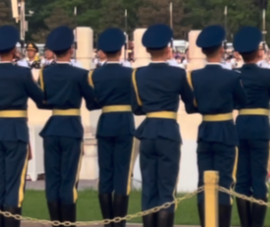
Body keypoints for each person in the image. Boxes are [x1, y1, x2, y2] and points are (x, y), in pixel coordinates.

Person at [131, 23, 195, 227]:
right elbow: (191, 103)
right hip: (168, 132)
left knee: (149, 187)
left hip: (148, 132)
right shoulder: (178, 74)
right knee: (167, 189)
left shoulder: (137, 74)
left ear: (148, 51)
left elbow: (137, 107)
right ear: (168, 49)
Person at [0, 25, 44, 227]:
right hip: (16, 131)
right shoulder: (23, 74)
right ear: (14, 51)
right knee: (14, 184)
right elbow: (40, 99)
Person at [37, 26, 96, 225]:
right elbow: (92, 102)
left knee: (52, 179)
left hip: (53, 126)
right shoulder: (80, 75)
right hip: (71, 127)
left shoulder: (45, 73)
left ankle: (56, 222)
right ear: (71, 50)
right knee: (68, 180)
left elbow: (40, 101)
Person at [188, 26, 247, 227]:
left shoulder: (194, 76)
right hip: (226, 131)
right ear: (221, 49)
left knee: (204, 184)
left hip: (205, 131)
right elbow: (242, 101)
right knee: (224, 184)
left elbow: (191, 105)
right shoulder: (232, 76)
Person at [232, 26, 270, 227]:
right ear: (259, 52)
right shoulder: (267, 75)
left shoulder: (234, 74)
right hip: (260, 127)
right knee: (259, 181)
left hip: (240, 126)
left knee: (241, 180)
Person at [90, 28, 135, 225]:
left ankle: (108, 221)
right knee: (122, 173)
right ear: (121, 49)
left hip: (106, 122)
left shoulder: (95, 75)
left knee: (105, 173)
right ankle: (119, 222)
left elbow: (92, 103)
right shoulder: (131, 74)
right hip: (125, 123)